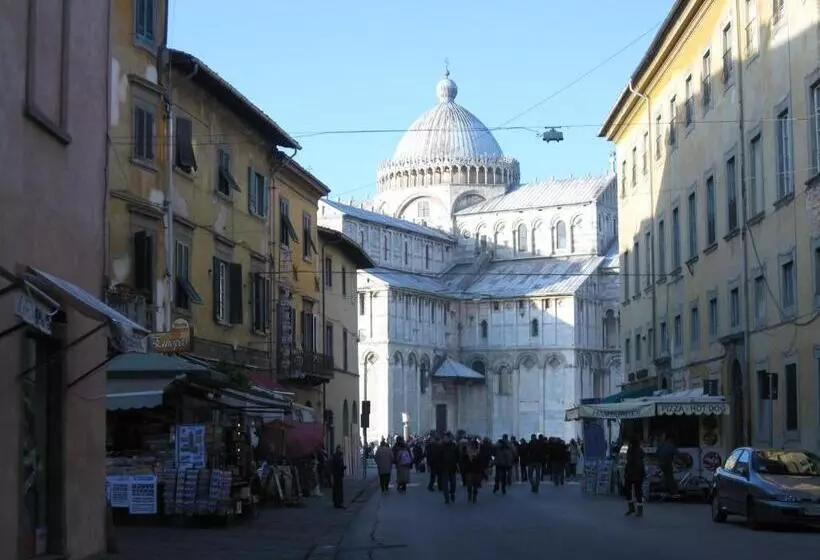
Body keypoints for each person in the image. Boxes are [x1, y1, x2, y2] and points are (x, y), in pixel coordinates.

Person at [624, 434, 646, 517]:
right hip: (638, 474)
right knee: (638, 492)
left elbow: (629, 462)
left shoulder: (631, 450)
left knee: (629, 491)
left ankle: (632, 508)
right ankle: (639, 510)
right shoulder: (639, 450)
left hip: (631, 474)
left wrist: (627, 473)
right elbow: (641, 463)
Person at [439, 432, 460, 504]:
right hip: (444, 467)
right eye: (444, 438)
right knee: (445, 484)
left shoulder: (454, 446)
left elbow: (458, 456)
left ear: (449, 438)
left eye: (446, 438)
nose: (445, 439)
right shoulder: (441, 446)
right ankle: (446, 498)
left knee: (453, 483)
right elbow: (438, 457)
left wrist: (457, 465)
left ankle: (452, 493)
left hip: (452, 467)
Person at [463, 439, 485, 504]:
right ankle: (470, 494)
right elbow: (463, 461)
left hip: (476, 471)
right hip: (469, 471)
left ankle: (474, 496)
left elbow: (482, 462)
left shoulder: (480, 453)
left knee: (475, 486)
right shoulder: (467, 452)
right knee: (469, 485)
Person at [331, 445, 346, 509]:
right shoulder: (338, 457)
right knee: (338, 489)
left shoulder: (335, 456)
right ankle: (338, 502)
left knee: (336, 489)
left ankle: (336, 502)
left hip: (336, 474)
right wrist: (343, 467)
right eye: (340, 448)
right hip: (338, 474)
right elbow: (339, 466)